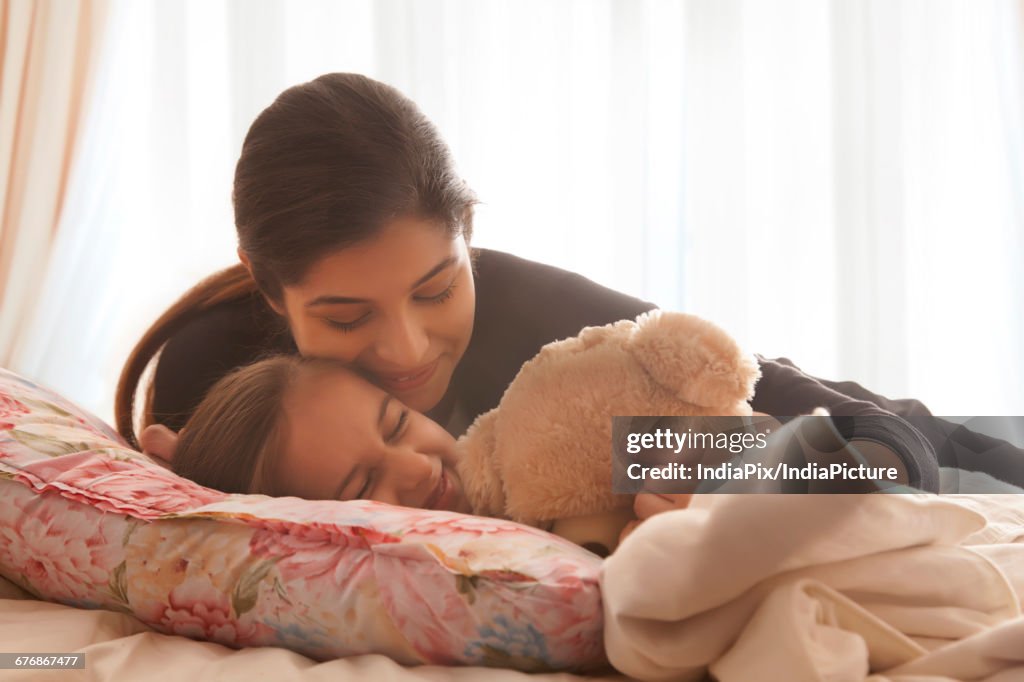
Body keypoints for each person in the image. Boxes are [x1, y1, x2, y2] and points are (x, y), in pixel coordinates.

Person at [116, 73, 1022, 522]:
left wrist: (791, 479)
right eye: (345, 317)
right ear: (268, 285)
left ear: (469, 228)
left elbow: (811, 411)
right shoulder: (215, 374)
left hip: (949, 443)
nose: (407, 349)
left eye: (437, 288)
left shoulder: (537, 325)